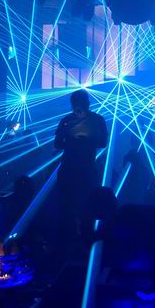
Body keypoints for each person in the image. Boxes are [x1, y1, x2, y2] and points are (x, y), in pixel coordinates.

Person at [54, 89, 108, 228]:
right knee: (69, 209)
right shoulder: (68, 121)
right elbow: (57, 143)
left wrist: (83, 142)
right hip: (74, 170)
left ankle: (79, 233)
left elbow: (103, 143)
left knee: (82, 207)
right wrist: (75, 142)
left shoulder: (96, 120)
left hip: (82, 170)